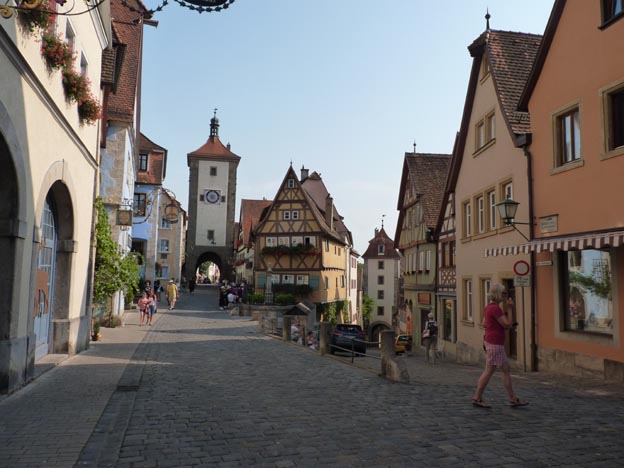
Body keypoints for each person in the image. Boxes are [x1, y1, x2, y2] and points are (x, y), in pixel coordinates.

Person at [472, 284, 528, 408]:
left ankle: (513, 398)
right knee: (489, 371)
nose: (505, 295)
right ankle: (477, 397)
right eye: (503, 293)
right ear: (497, 294)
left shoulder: (489, 307)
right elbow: (508, 324)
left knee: (505, 369)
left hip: (492, 342)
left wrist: (495, 325)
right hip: (495, 343)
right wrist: (510, 308)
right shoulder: (495, 309)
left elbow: (484, 323)